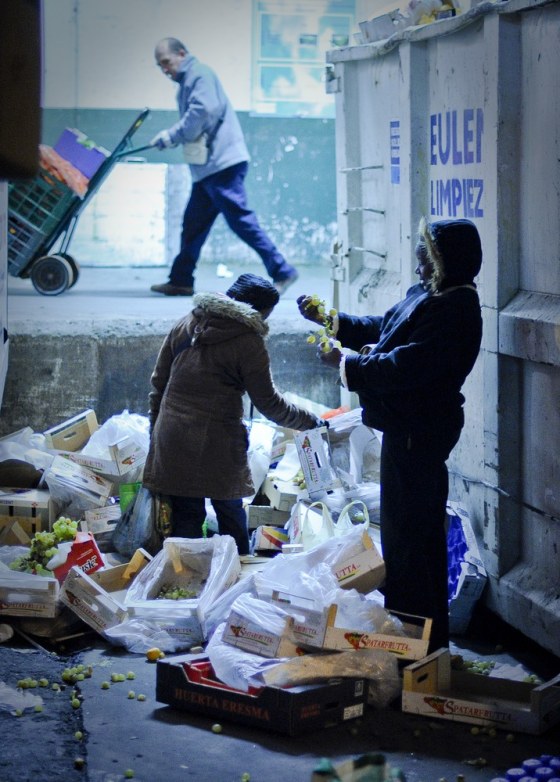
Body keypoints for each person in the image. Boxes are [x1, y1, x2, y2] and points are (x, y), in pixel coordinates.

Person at [297, 217, 483, 652]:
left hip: (421, 433)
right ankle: (405, 636)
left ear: (446, 263)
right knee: (401, 539)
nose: (419, 270)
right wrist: (333, 320)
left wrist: (345, 365)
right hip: (404, 432)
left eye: (426, 262)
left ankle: (422, 644)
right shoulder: (431, 295)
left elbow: (406, 366)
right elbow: (387, 328)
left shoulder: (456, 310)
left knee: (415, 542)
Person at [142, 273, 323, 555]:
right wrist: (310, 421)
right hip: (216, 442)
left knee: (186, 521)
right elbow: (270, 403)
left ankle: (186, 585)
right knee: (230, 514)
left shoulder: (188, 322)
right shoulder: (248, 342)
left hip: (172, 436)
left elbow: (158, 383)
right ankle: (235, 579)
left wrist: (156, 433)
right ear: (259, 310)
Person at [149, 37, 299, 298]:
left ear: (182, 54)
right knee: (193, 225)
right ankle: (181, 280)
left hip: (222, 164)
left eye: (167, 63)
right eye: (160, 66)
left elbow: (203, 111)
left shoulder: (199, 74)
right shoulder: (189, 81)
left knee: (241, 220)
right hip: (209, 168)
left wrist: (171, 136)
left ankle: (282, 270)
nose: (165, 70)